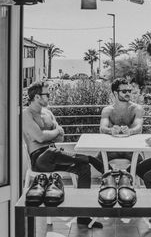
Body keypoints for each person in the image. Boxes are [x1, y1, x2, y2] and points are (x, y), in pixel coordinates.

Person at [23, 80, 103, 228]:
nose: (49, 96)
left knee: (84, 168)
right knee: (51, 151)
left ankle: (83, 216)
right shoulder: (26, 114)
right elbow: (41, 137)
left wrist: (48, 134)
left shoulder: (48, 113)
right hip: (40, 160)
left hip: (56, 154)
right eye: (47, 94)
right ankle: (90, 158)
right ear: (36, 97)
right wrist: (51, 133)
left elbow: (61, 136)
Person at [96, 78, 144, 172]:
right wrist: (111, 130)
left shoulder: (136, 109)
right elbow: (102, 128)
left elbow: (139, 127)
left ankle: (125, 178)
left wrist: (130, 131)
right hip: (112, 148)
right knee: (96, 161)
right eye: (124, 91)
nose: (128, 93)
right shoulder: (108, 110)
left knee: (142, 165)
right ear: (115, 93)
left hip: (131, 148)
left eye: (129, 91)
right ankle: (112, 175)